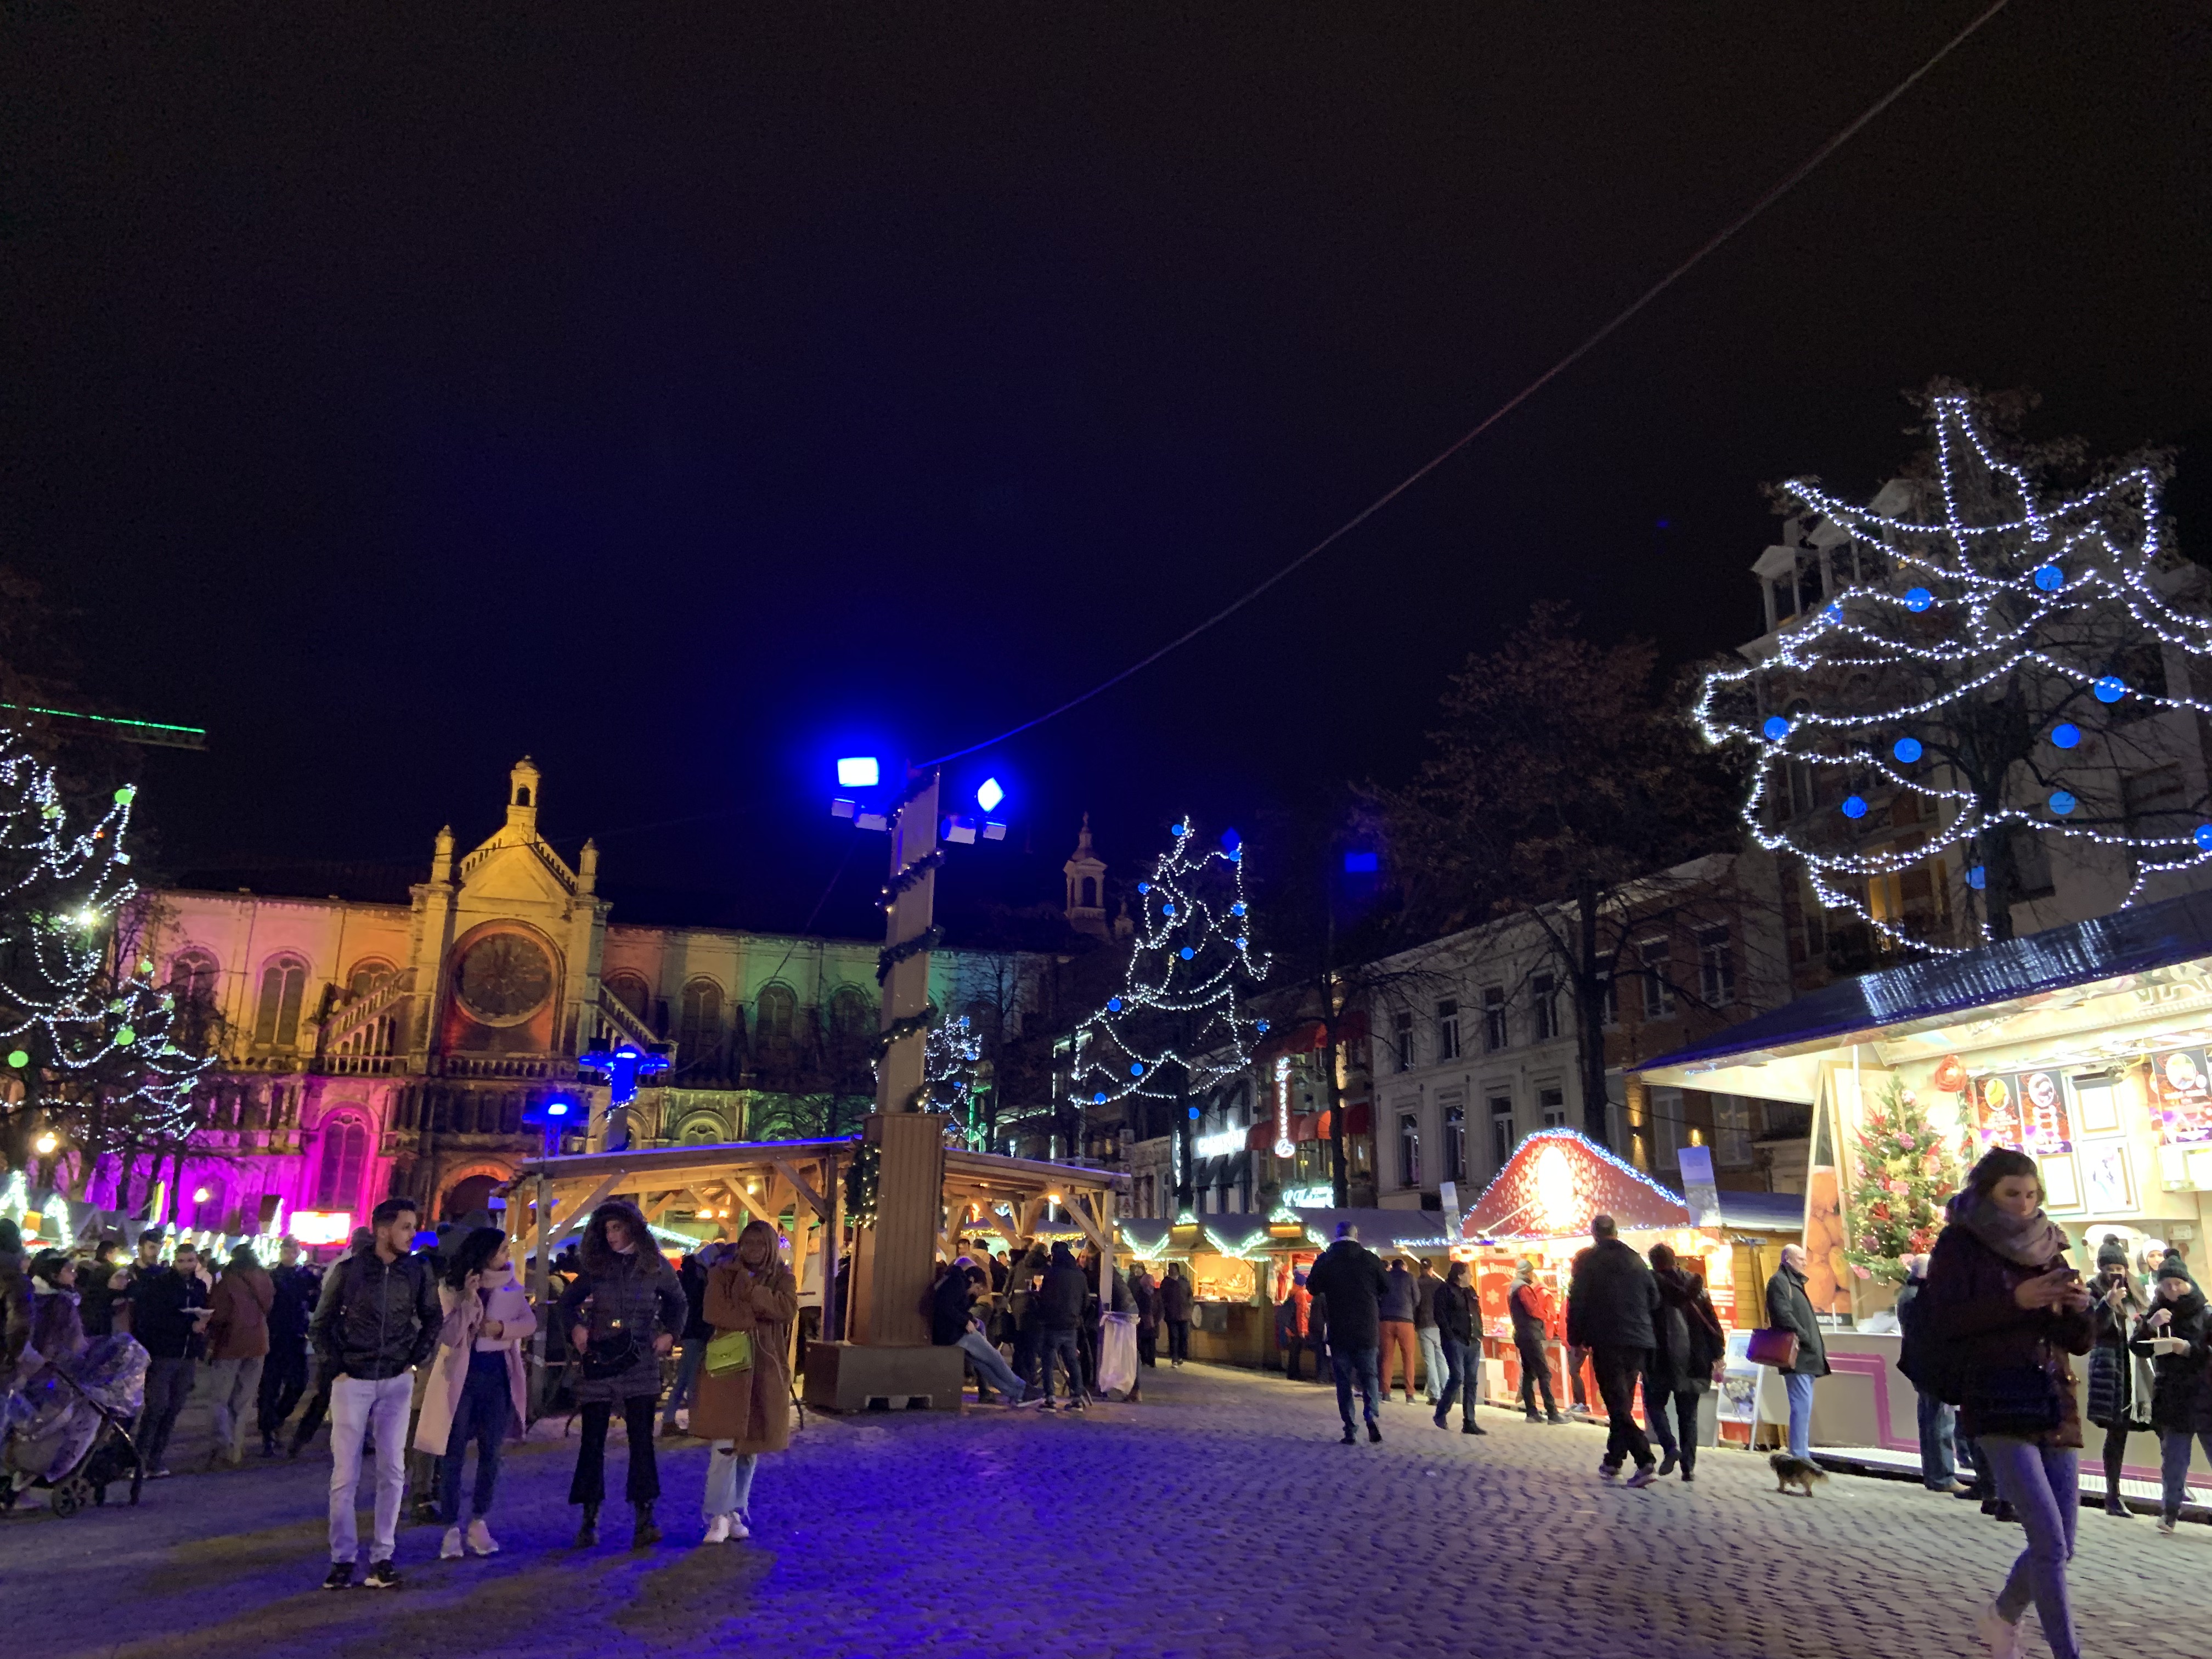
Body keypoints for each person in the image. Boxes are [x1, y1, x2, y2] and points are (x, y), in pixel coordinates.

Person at [1917, 1146, 2093, 1659]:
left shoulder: (2050, 1243)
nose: (2024, 1204)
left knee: (2062, 1545)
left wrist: (2079, 1309)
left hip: (2053, 1398)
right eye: (2012, 1194)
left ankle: (2002, 1616)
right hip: (1997, 1398)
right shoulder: (1961, 1243)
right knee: (2049, 1542)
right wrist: (2016, 1301)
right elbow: (1945, 1321)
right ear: (1986, 1193)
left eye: (2032, 1194)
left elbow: (2079, 1342)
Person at [309, 1197, 439, 1590]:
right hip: (354, 1380)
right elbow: (321, 1324)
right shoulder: (349, 1271)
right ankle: (343, 1558)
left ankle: (383, 1555)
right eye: (405, 1227)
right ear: (384, 1231)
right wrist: (339, 1367)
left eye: (413, 1226)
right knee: (344, 1474)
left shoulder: (416, 1271)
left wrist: (414, 1358)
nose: (412, 1234)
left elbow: (433, 1317)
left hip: (395, 1378)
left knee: (393, 1471)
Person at [557, 1199, 686, 1548]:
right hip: (600, 1359)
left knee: (642, 1441)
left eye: (616, 1228)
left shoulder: (654, 1265)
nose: (611, 1235)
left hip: (639, 1359)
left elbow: (678, 1302)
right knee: (592, 1442)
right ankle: (589, 1519)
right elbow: (568, 1303)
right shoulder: (597, 1265)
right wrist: (577, 1328)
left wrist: (670, 1334)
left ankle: (645, 1517)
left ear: (632, 1227)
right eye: (606, 1229)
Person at [414, 1225, 534, 1561]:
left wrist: (501, 1329)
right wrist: (468, 1301)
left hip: (497, 1375)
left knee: (491, 1451)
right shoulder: (451, 1287)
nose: (507, 1256)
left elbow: (529, 1323)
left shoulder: (511, 1285)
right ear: (484, 1254)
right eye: (501, 1250)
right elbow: (450, 1336)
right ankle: (451, 1526)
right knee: (453, 1452)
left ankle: (479, 1520)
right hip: (461, 1377)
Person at [691, 1217, 798, 1543]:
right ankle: (717, 1515)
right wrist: (758, 1311)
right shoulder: (722, 1274)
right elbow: (714, 1312)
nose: (753, 1250)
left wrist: (752, 1293)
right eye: (747, 1243)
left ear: (771, 1247)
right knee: (725, 1443)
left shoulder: (783, 1277)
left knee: (751, 1446)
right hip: (729, 1368)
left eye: (760, 1244)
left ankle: (736, 1509)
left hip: (764, 1370)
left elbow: (787, 1309)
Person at [1566, 1214, 1661, 1487]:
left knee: (1617, 1404)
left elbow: (1577, 1302)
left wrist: (1576, 1341)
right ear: (1616, 1232)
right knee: (1623, 1403)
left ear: (1594, 1233)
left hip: (1608, 1339)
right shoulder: (1635, 1259)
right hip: (1639, 1340)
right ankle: (1613, 1460)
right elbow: (1654, 1298)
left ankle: (1645, 1461)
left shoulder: (1588, 1261)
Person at [2132, 1254, 2212, 1536]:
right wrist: (2150, 1325)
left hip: (2206, 1395)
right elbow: (2138, 1347)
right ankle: (2169, 1513)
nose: (2174, 1290)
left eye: (2178, 1283)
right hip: (2173, 1396)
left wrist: (2187, 1349)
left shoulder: (2206, 1313)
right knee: (2174, 1460)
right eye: (2167, 1285)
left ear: (2188, 1282)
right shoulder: (2157, 1312)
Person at [121, 1233, 212, 1477]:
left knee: (174, 1409)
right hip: (164, 1353)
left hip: (187, 1354)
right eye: (182, 1261)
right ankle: (139, 1460)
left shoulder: (200, 1286)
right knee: (156, 1408)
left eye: (190, 1261)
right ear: (174, 1261)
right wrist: (187, 1325)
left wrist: (201, 1327)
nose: (186, 1265)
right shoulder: (161, 1285)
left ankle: (156, 1459)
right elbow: (153, 1319)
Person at [291, 1226, 376, 1458]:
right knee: (346, 1396)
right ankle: (309, 1440)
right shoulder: (350, 1269)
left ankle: (302, 1440)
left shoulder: (341, 1266)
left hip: (343, 1341)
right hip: (347, 1342)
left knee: (328, 1397)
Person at [1305, 1221, 1387, 1444]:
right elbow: (1386, 1286)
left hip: (1339, 1328)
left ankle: (1350, 1429)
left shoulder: (1327, 1259)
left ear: (1336, 1236)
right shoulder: (1370, 1258)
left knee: (1343, 1381)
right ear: (1356, 1235)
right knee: (1369, 1376)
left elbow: (1312, 1287)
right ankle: (1371, 1415)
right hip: (1367, 1328)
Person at [1646, 1243, 1723, 1481]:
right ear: (1675, 1260)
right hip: (1695, 1359)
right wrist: (1718, 1354)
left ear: (1654, 1263)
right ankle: (1688, 1468)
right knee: (1688, 1414)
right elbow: (1712, 1321)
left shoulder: (1651, 1286)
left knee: (1654, 1404)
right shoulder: (1695, 1286)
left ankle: (1670, 1446)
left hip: (1661, 1358)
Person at [2084, 1238, 2148, 1519]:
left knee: (2159, 1424)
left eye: (2120, 1268)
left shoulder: (2136, 1289)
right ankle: (2113, 1495)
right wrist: (2107, 1304)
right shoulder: (2092, 1291)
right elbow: (2090, 1329)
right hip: (2111, 1368)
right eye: (2110, 1268)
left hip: (2138, 1367)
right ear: (2101, 1269)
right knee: (2117, 1431)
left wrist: (2150, 1323)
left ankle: (2175, 1486)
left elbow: (2143, 1326)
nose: (2116, 1273)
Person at [1896, 1250, 1966, 1495]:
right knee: (1940, 1423)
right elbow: (1930, 1335)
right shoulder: (1920, 1297)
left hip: (1923, 1367)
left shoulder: (1909, 1294)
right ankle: (1942, 1476)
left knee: (1932, 1421)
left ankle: (1936, 1475)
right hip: (1932, 1368)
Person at [203, 1242, 275, 1467]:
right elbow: (269, 1306)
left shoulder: (228, 1281)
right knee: (243, 1401)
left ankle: (223, 1446)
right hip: (258, 1343)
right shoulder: (264, 1279)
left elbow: (219, 1315)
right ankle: (237, 1449)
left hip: (230, 1344)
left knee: (220, 1399)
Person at [1764, 1243, 1831, 1462]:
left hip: (1806, 1355)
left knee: (1804, 1407)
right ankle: (1800, 1457)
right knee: (1801, 1407)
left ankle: (1801, 1454)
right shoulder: (1780, 1282)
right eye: (1801, 1259)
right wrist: (1805, 1337)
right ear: (1788, 1260)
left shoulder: (1792, 1282)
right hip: (1798, 1355)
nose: (1805, 1263)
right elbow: (1783, 1315)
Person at [258, 1238, 319, 1456]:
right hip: (275, 1337)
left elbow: (315, 1304)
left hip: (296, 1337)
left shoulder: (306, 1276)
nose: (290, 1254)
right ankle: (268, 1432)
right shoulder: (272, 1276)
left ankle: (276, 1420)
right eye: (286, 1250)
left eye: (293, 1250)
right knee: (270, 1387)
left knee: (298, 1384)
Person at [662, 1242, 721, 1436]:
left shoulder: (692, 1273)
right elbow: (699, 1307)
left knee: (686, 1377)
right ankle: (694, 1421)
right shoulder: (699, 1276)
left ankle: (672, 1419)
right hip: (696, 1331)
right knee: (692, 1378)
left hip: (690, 1331)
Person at [1430, 1260, 1486, 1435]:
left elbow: (1477, 1312)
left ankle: (1469, 1422)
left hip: (1473, 1340)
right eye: (1468, 1273)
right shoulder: (1445, 1291)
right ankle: (1441, 1412)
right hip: (1456, 1341)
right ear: (1460, 1275)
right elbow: (1440, 1315)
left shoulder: (1470, 1291)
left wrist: (1479, 1333)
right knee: (1457, 1377)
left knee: (1472, 1380)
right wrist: (1450, 1336)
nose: (1471, 1276)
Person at [1035, 1242, 1090, 1410]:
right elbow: (1086, 1302)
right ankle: (1077, 1398)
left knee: (1048, 1361)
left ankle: (1050, 1398)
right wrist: (1077, 1316)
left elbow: (1044, 1298)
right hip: (1071, 1324)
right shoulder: (1080, 1275)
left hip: (1053, 1324)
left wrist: (1042, 1313)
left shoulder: (1052, 1274)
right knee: (1072, 1361)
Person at [1509, 1262, 1565, 1423]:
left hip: (1522, 1334)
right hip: (1530, 1335)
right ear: (1528, 1272)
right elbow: (1533, 1309)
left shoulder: (1513, 1286)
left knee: (1529, 1373)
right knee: (1544, 1373)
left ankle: (1531, 1413)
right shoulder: (1523, 1288)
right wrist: (1546, 1315)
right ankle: (1553, 1414)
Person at [1377, 1255, 1419, 1404]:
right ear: (1403, 1267)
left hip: (1386, 1320)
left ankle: (1386, 1393)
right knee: (1408, 1357)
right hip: (1405, 1321)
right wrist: (1408, 1309)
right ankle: (1410, 1395)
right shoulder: (1410, 1277)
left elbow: (1379, 1297)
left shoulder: (1385, 1277)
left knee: (1386, 1357)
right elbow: (1417, 1299)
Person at [1412, 1257, 1446, 1408]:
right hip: (1438, 1325)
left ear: (1420, 1269)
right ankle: (1447, 1392)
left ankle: (1435, 1395)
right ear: (1431, 1269)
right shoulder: (1439, 1284)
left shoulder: (1417, 1284)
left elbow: (1415, 1304)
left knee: (1430, 1361)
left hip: (1424, 1325)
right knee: (1441, 1359)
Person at [76, 1238, 126, 1339]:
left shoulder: (82, 1268)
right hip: (102, 1317)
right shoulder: (111, 1271)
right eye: (115, 1254)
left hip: (83, 1314)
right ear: (108, 1254)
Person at [1159, 1261, 1193, 1368]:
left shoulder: (1184, 1281)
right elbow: (1162, 1297)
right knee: (1174, 1336)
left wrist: (1190, 1306)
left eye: (1172, 1269)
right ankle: (1174, 1358)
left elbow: (1190, 1295)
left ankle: (1181, 1356)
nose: (1170, 1270)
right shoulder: (1166, 1282)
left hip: (1184, 1314)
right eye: (1169, 1269)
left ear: (1177, 1270)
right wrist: (1165, 1308)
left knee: (1184, 1335)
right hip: (1171, 1314)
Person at [1279, 1270, 1312, 1382]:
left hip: (1291, 1326)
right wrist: (1302, 1330)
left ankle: (1292, 1373)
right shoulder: (1301, 1295)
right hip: (1296, 1328)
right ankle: (1295, 1374)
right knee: (1296, 1352)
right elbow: (1301, 1314)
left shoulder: (1293, 1294)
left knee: (1294, 1351)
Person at [1130, 1263, 1160, 1373]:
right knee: (1143, 1339)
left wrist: (1156, 1319)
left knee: (1150, 1340)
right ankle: (1145, 1359)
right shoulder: (1140, 1291)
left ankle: (1150, 1360)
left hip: (1151, 1319)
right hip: (1143, 1318)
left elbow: (1159, 1307)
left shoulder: (1154, 1293)